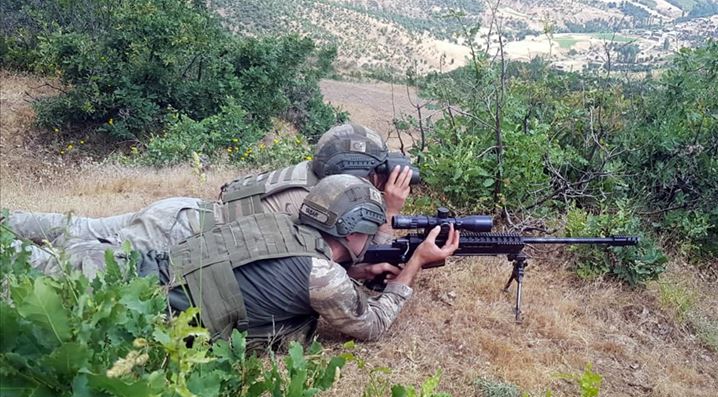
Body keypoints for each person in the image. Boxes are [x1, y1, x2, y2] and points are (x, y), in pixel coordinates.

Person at [6, 122, 414, 275]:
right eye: (374, 170)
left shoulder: (308, 174)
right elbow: (342, 255)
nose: (380, 176)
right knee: (72, 262)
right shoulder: (322, 202)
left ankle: (8, 219)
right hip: (182, 234)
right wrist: (388, 213)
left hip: (182, 211)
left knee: (81, 228)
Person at [158, 174, 459, 349]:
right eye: (369, 231)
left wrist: (356, 270)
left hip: (154, 276)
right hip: (163, 322)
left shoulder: (275, 222)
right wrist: (415, 263)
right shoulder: (323, 276)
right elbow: (372, 327)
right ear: (353, 232)